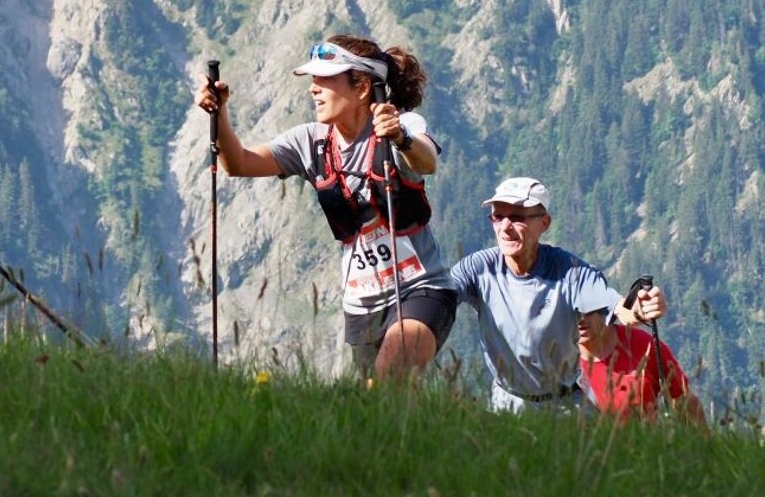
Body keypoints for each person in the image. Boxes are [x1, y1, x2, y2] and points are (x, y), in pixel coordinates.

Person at [195, 35, 456, 380]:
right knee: (383, 415)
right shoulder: (311, 141)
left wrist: (399, 139)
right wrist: (220, 113)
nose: (312, 89)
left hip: (419, 289)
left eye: (324, 80)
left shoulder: (400, 125)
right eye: (313, 80)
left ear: (362, 86)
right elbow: (239, 163)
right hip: (360, 306)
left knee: (388, 385)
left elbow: (426, 162)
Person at [451, 177, 668, 411]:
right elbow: (439, 295)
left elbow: (618, 308)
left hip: (566, 407)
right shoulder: (479, 268)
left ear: (544, 223)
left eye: (516, 218)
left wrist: (641, 309)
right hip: (506, 403)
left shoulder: (571, 271)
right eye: (497, 216)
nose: (504, 227)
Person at [577, 308, 706, 425]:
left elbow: (684, 401)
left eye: (588, 309)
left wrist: (707, 445)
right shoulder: (559, 359)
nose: (581, 318)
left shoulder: (643, 345)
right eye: (572, 312)